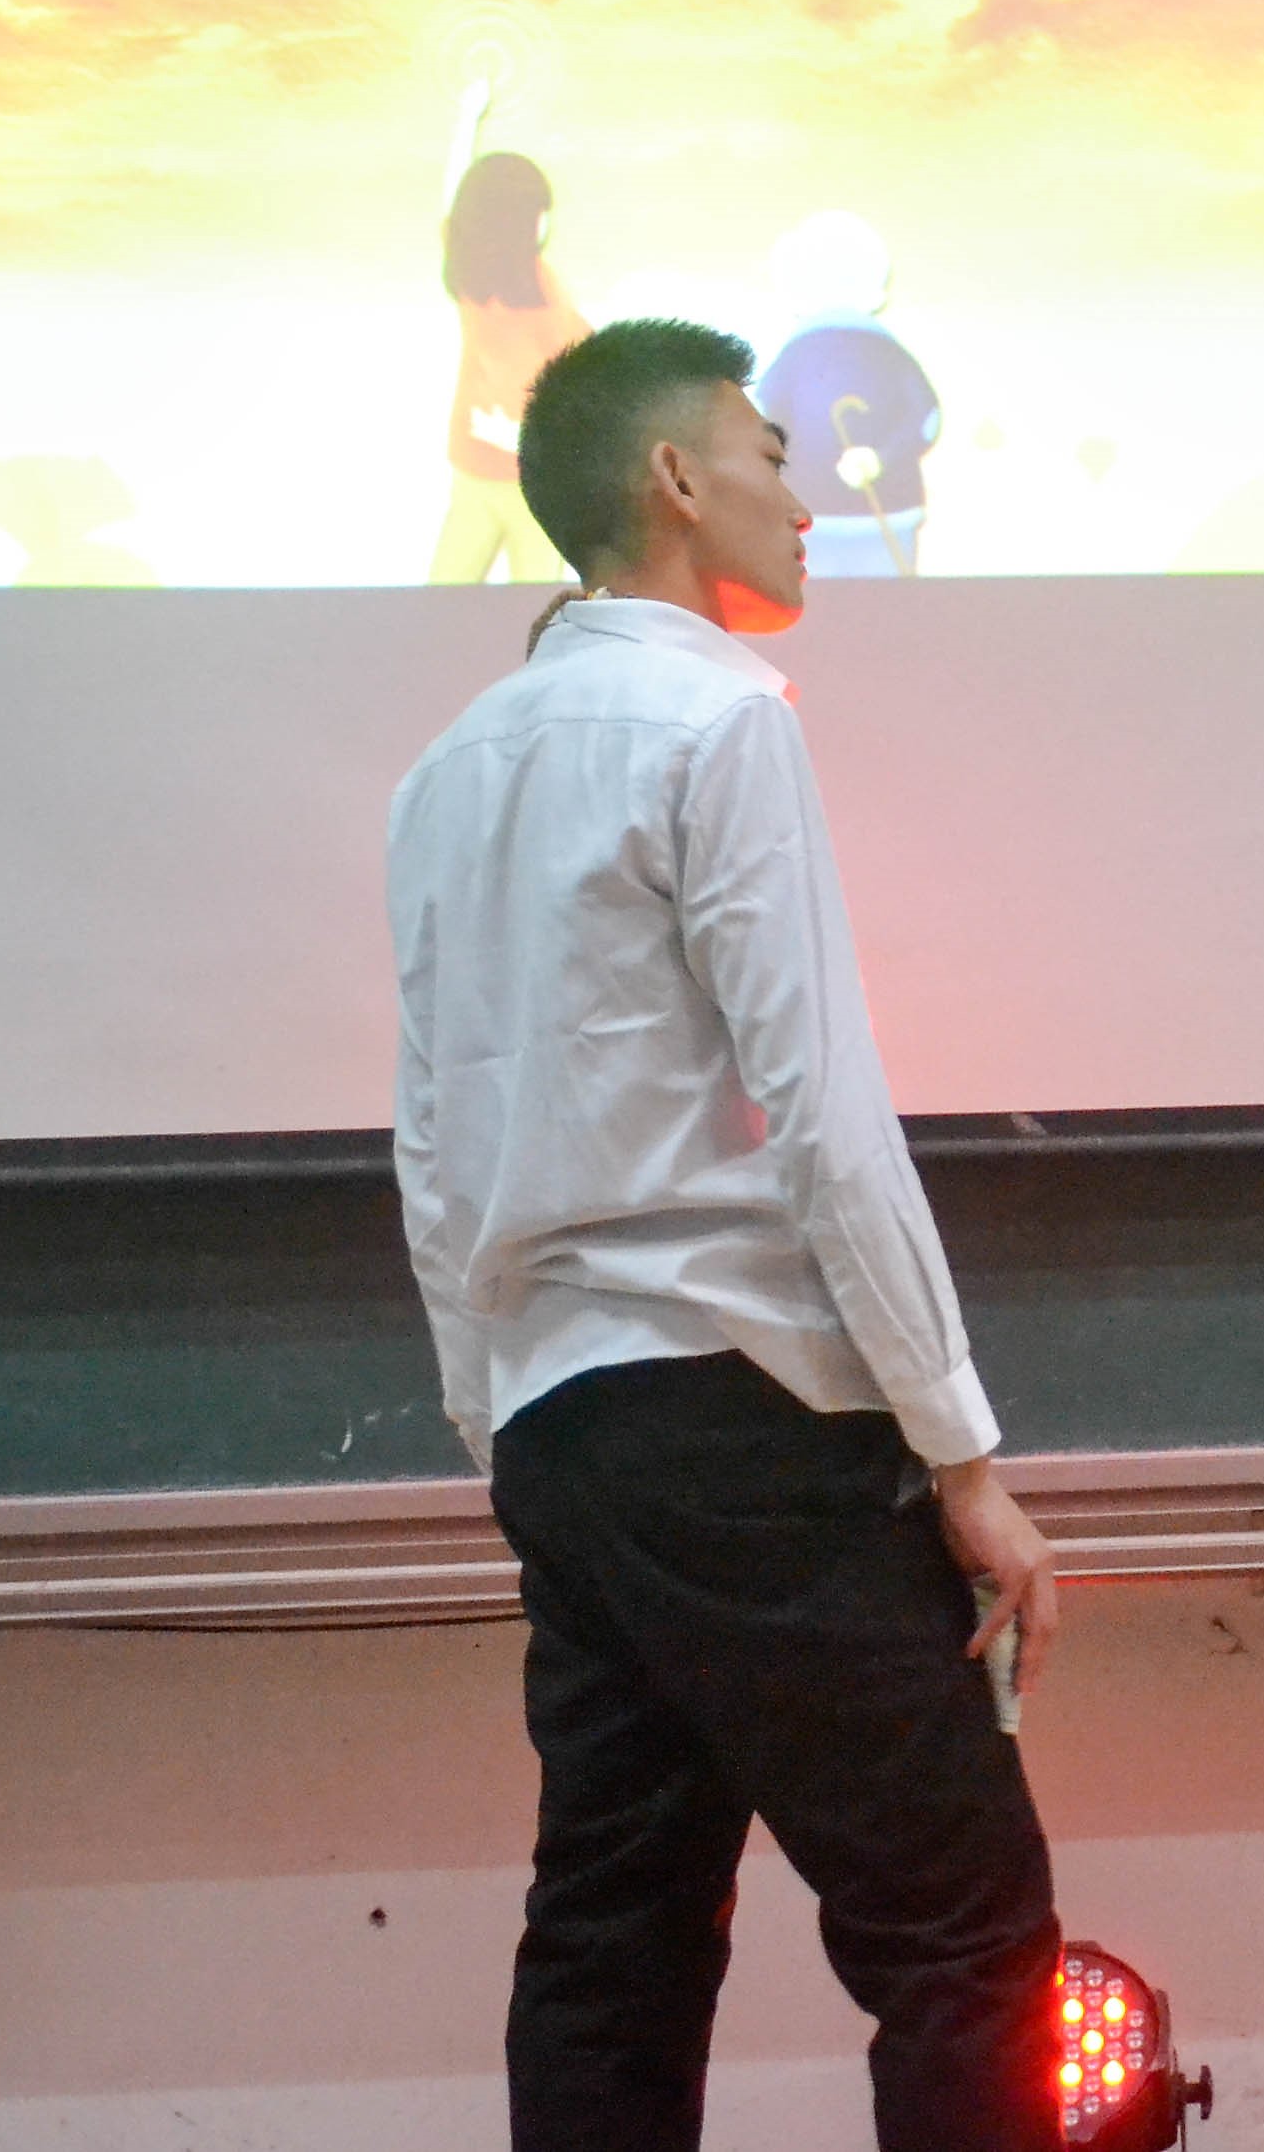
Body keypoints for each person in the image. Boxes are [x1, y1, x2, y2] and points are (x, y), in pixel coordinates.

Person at [388, 317, 1070, 2152]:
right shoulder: (716, 721)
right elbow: (825, 1114)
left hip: (564, 1427)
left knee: (612, 1934)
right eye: (772, 452)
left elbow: (430, 1142)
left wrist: (497, 1422)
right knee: (963, 1929)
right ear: (677, 479)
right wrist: (962, 1455)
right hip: (744, 1414)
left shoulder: (445, 771)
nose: (806, 492)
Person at [757, 209, 944, 578]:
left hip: (874, 514)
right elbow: (926, 418)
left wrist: (881, 460)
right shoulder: (801, 355)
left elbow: (925, 419)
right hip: (816, 520)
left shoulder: (805, 355)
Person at [432, 148, 590, 584]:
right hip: (530, 485)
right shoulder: (546, 301)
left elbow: (452, 216)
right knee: (532, 607)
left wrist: (468, 128)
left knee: (442, 596)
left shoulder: (468, 278)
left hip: (484, 471)